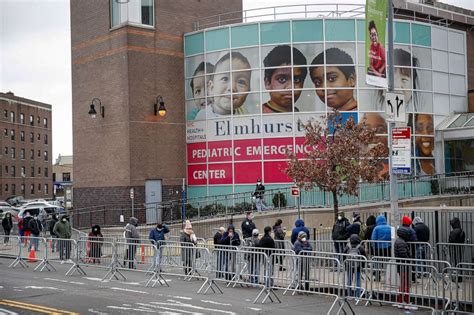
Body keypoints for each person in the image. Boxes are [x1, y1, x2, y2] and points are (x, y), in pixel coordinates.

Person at [195, 52, 251, 119]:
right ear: (211, 88)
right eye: (225, 79)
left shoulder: (244, 113)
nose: (232, 88)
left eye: (241, 82)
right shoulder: (203, 116)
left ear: (248, 92)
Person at [261, 45, 307, 113]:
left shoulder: (300, 116)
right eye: (282, 80)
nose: (291, 87)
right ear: (267, 83)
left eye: (296, 80)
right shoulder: (259, 117)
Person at [362, 112, 389, 179]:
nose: (374, 135)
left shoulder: (395, 163)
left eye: (380, 130)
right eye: (367, 130)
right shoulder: (355, 163)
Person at [394, 225, 413, 307]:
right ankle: (405, 301)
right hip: (404, 265)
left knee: (403, 283)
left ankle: (401, 300)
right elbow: (403, 254)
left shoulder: (399, 241)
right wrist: (409, 259)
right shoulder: (401, 242)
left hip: (401, 265)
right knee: (405, 284)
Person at [371, 215, 392, 281]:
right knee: (387, 263)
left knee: (377, 263)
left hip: (379, 248)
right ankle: (387, 277)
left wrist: (374, 247)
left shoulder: (376, 228)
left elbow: (373, 239)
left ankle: (377, 277)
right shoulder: (390, 227)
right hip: (388, 248)